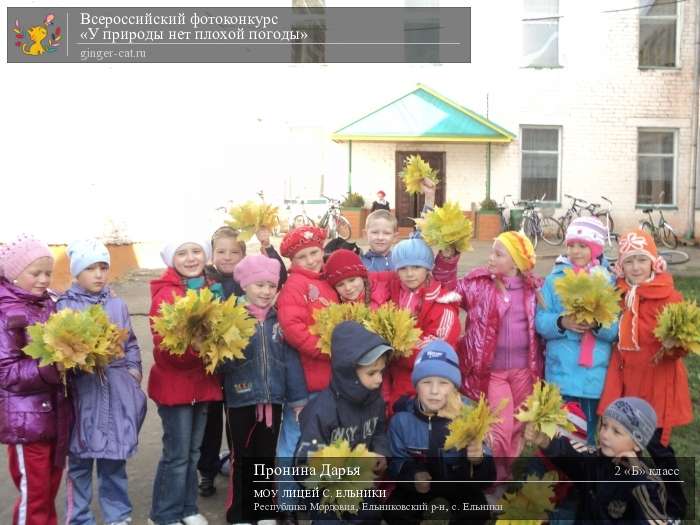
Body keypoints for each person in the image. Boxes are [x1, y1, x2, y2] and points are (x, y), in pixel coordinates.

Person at [432, 231, 543, 482]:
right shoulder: (478, 284)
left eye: (498, 254)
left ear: (515, 262)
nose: (490, 258)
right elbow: (446, 287)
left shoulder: (534, 288)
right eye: (491, 252)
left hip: (524, 371)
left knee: (518, 426)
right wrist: (448, 259)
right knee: (499, 428)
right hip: (493, 373)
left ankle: (508, 476)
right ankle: (494, 478)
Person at [598, 229, 692, 519]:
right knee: (622, 448)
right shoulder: (618, 295)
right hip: (626, 384)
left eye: (641, 259)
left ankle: (676, 505)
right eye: (629, 261)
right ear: (621, 265)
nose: (636, 267)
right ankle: (624, 502)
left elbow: (682, 344)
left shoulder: (669, 296)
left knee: (659, 450)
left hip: (656, 386)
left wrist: (673, 346)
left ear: (653, 262)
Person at [60, 240, 147, 525]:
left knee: (113, 463)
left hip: (117, 394)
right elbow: (57, 352)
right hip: (83, 397)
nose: (98, 274)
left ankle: (118, 516)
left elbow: (131, 342)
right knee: (80, 466)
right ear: (76, 273)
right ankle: (80, 517)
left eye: (103, 267)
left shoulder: (117, 304)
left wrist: (133, 372)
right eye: (90, 268)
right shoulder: (64, 306)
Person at [220, 255, 307, 525]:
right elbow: (219, 361)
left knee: (266, 457)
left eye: (271, 286)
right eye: (259, 285)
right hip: (241, 399)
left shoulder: (279, 320)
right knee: (242, 458)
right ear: (245, 286)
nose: (266, 291)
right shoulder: (230, 318)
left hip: (275, 400)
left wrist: (297, 398)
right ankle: (240, 513)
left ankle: (264, 512)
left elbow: (291, 362)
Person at [147, 237, 222, 525]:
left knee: (193, 452)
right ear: (171, 259)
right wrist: (198, 348)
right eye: (182, 253)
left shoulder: (209, 288)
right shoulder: (165, 295)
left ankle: (187, 508)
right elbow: (165, 350)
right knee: (176, 456)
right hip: (175, 389)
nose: (191, 258)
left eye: (196, 251)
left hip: (202, 386)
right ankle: (164, 514)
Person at [0, 235, 71, 525]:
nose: (44, 279)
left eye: (48, 273)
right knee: (35, 495)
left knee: (50, 488)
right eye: (35, 273)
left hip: (56, 416)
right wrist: (50, 368)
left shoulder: (50, 303)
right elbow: (6, 372)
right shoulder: (6, 312)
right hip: (26, 421)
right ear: (15, 273)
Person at [386, 341, 496, 525]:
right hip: (420, 488)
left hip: (459, 486)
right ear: (416, 385)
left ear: (454, 387)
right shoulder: (401, 421)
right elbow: (396, 463)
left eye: (443, 383)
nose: (434, 391)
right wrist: (412, 475)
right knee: (394, 511)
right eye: (426, 382)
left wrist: (478, 461)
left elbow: (486, 480)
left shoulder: (472, 418)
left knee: (477, 511)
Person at [295, 321, 390, 524]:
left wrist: (381, 451)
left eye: (382, 371)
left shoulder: (376, 401)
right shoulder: (322, 411)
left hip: (362, 486)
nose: (380, 379)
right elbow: (302, 466)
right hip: (327, 496)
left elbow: (380, 430)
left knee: (371, 515)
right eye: (372, 373)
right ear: (348, 373)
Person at [535, 217, 618, 442]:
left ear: (595, 248)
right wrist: (562, 322)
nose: (576, 251)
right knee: (556, 432)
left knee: (586, 433)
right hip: (560, 372)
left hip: (592, 376)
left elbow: (614, 330)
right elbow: (540, 321)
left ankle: (583, 472)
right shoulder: (554, 280)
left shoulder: (608, 282)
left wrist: (597, 323)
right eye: (571, 245)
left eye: (583, 246)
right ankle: (558, 471)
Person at [275, 226, 338, 516]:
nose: (312, 259)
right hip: (304, 380)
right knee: (292, 441)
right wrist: (327, 348)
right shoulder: (295, 286)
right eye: (303, 256)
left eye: (314, 252)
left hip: (328, 380)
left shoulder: (327, 281)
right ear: (292, 261)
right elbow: (293, 330)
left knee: (320, 442)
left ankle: (317, 500)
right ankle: (286, 504)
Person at [525, 397, 669, 522]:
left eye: (616, 431)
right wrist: (545, 441)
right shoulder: (595, 460)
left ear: (638, 444)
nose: (605, 435)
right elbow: (572, 460)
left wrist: (637, 476)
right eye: (604, 426)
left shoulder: (650, 483)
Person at [385, 238, 460, 410]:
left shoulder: (442, 303)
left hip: (426, 381)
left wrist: (394, 351)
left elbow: (436, 346)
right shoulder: (393, 292)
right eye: (403, 268)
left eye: (416, 267)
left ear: (428, 268)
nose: (409, 273)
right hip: (394, 377)